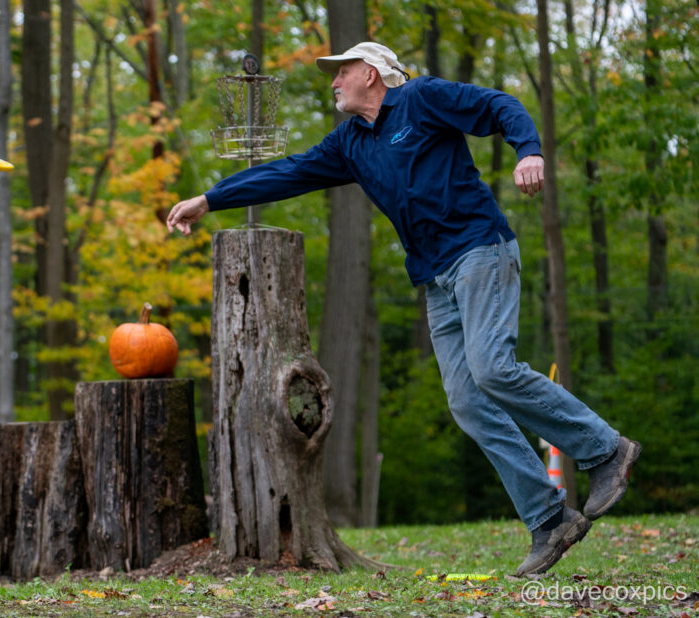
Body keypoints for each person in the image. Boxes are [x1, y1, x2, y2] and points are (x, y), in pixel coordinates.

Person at [166, 41, 640, 576]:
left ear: (371, 74)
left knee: (493, 368)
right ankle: (549, 518)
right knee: (466, 401)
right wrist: (211, 198)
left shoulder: (424, 98)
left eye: (341, 72)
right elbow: (290, 172)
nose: (333, 82)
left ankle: (605, 449)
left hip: (481, 250)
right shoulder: (350, 144)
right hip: (436, 279)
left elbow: (499, 106)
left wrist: (528, 149)